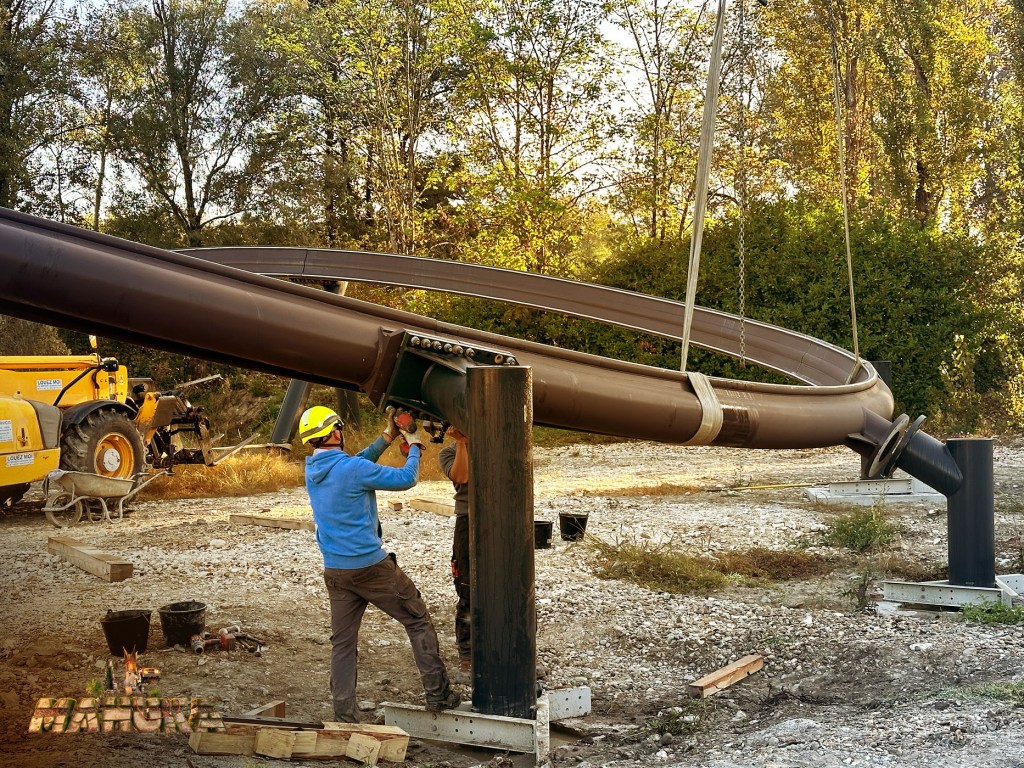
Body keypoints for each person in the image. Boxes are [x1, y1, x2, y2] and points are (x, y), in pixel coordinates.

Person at [299, 405, 460, 722]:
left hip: (336, 571)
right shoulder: (352, 469)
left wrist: (387, 436)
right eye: (339, 428)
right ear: (334, 432)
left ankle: (345, 715)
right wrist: (414, 444)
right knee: (417, 620)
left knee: (343, 644)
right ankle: (439, 695)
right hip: (371, 568)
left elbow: (355, 463)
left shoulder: (314, 470)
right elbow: (406, 479)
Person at [438, 426, 471, 684]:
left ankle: (523, 653)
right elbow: (462, 476)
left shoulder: (497, 442)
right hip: (468, 520)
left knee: (515, 587)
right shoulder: (448, 453)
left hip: (503, 517)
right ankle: (468, 658)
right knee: (468, 590)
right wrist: (461, 443)